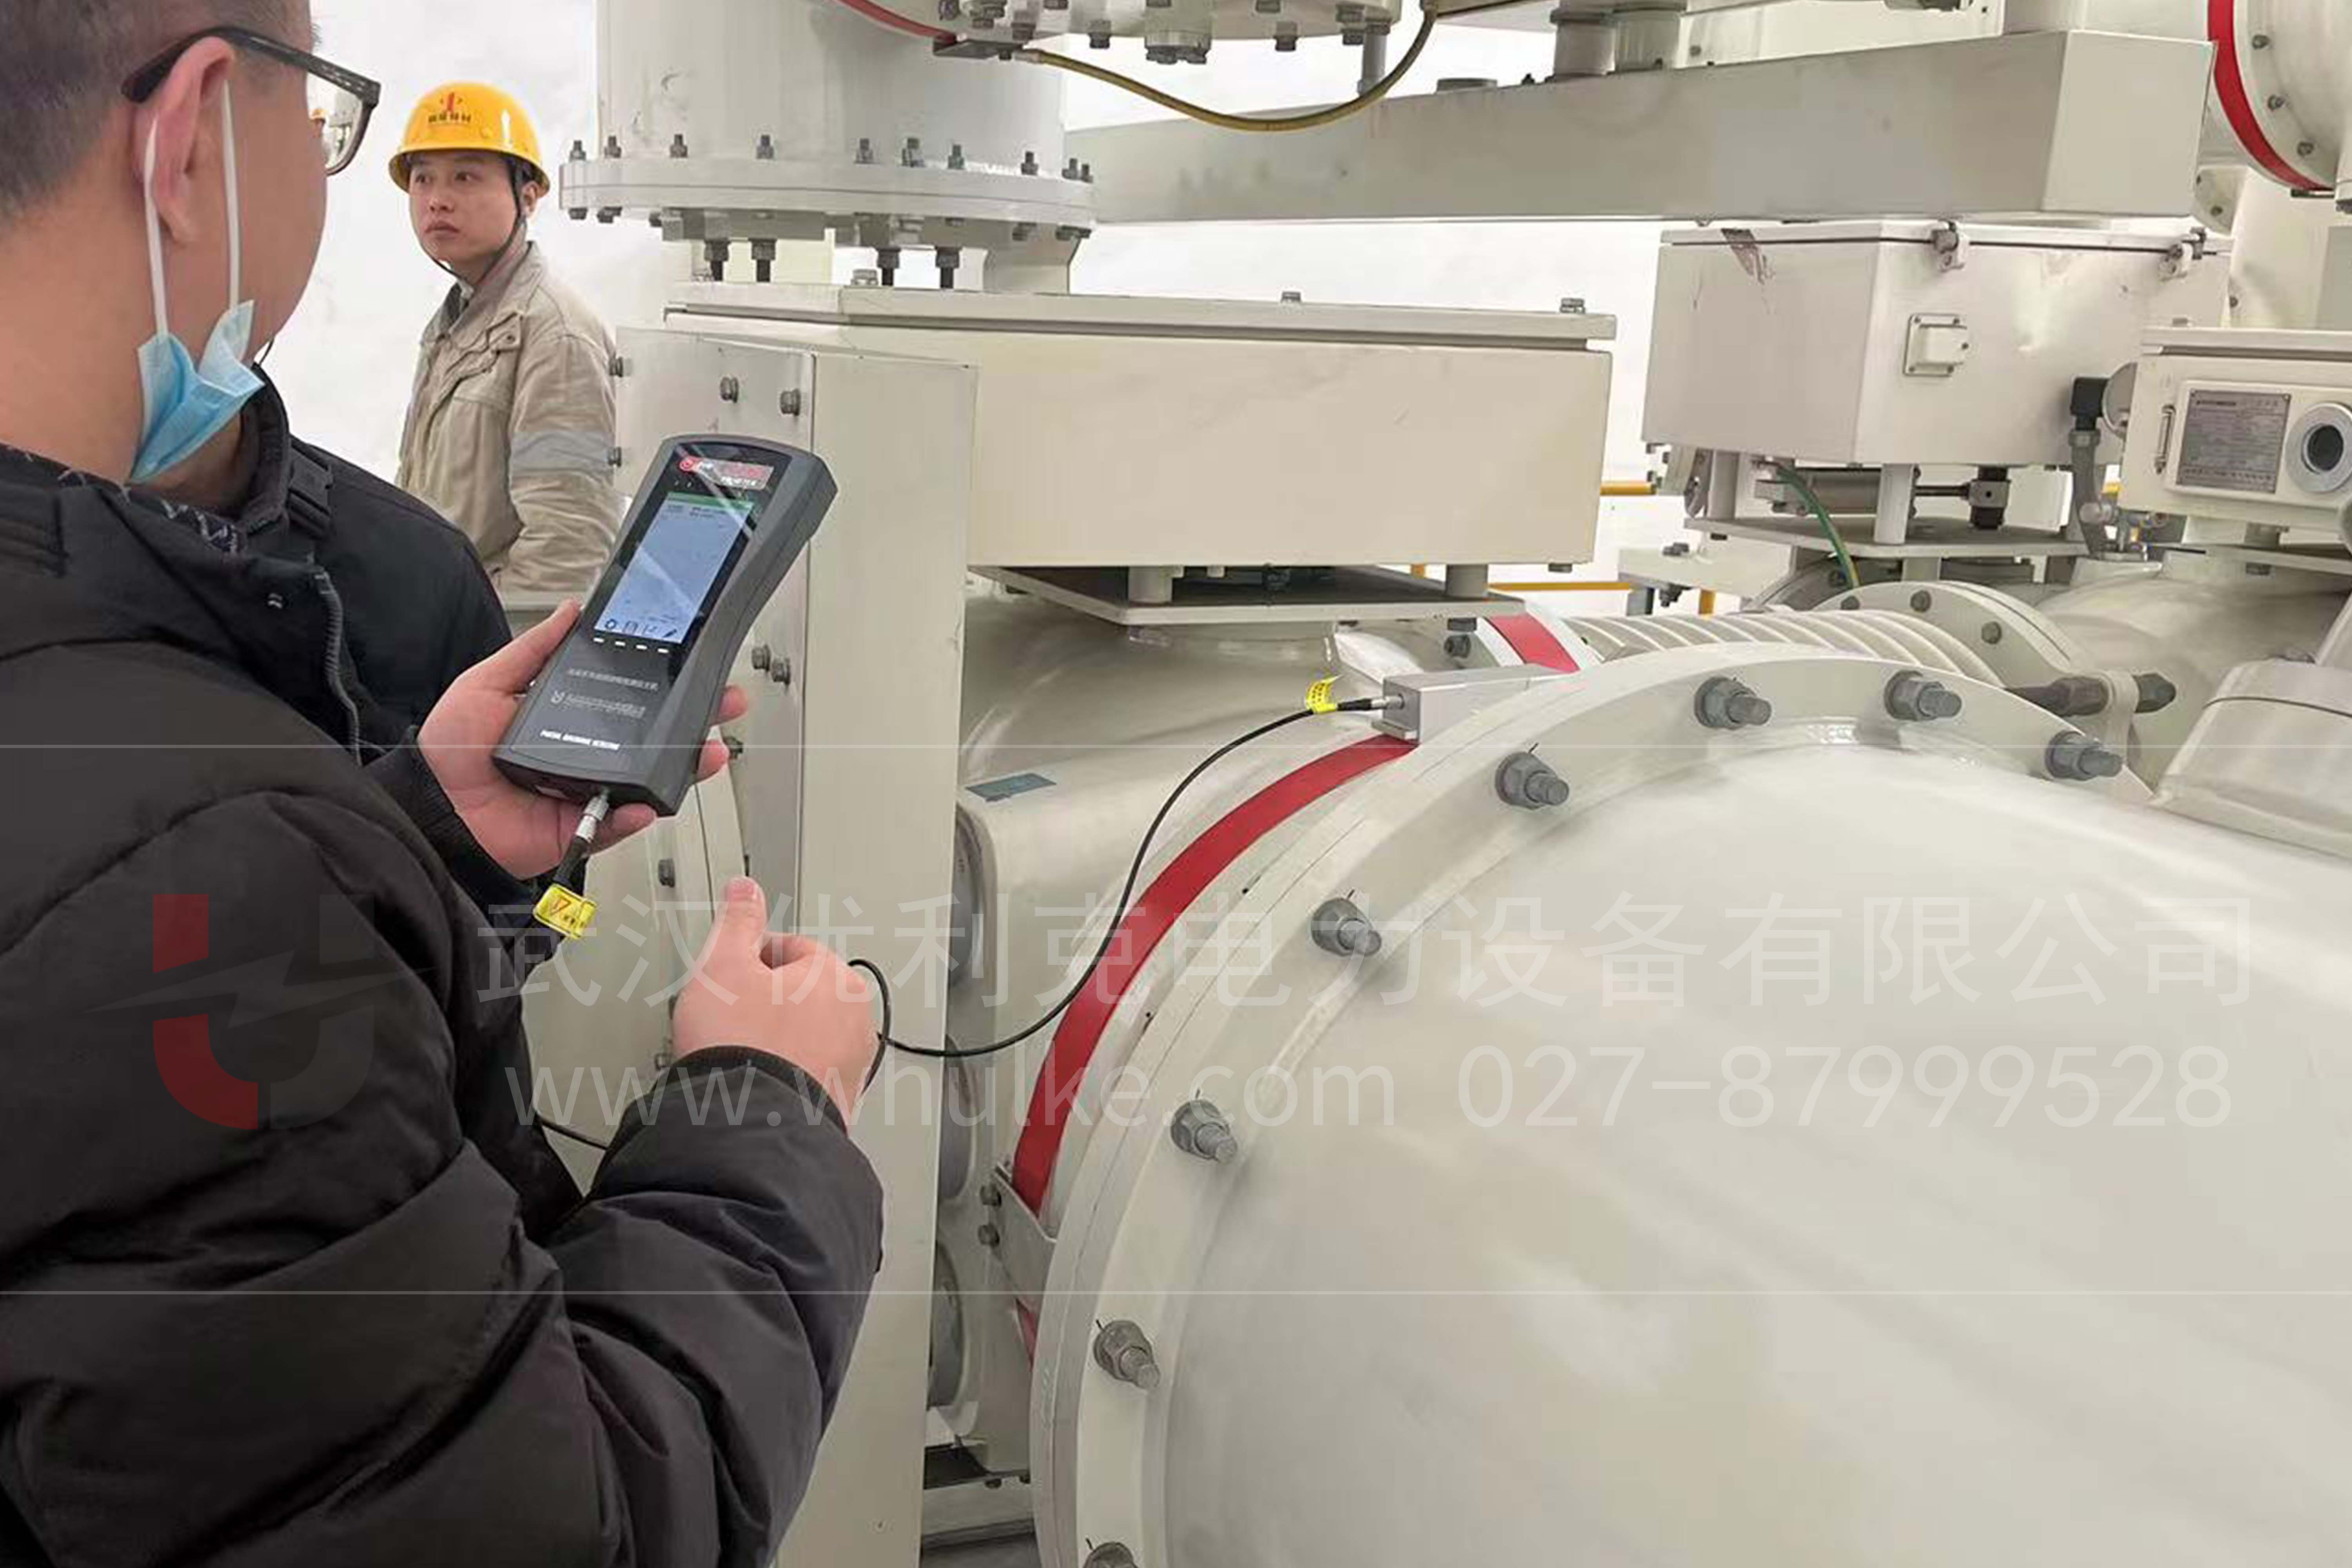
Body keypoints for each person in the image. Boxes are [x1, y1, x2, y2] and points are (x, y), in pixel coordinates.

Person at [0, 5, 885, 1564]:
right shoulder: (200, 868)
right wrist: (762, 1113)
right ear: (194, 138)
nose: (413, 197)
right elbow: (550, 1526)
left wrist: (410, 851)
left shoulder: (524, 337)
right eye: (333, 124)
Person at [394, 81, 621, 596]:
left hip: (493, 634)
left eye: (465, 177)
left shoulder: (556, 336)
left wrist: (476, 635)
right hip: (436, 618)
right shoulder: (458, 321)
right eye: (423, 179)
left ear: (528, 196)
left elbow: (568, 552)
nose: (438, 201)